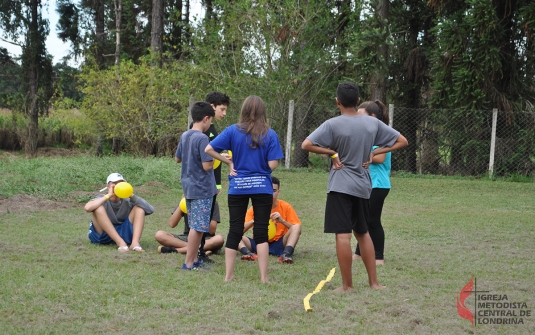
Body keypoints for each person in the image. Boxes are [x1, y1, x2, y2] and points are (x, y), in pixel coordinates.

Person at [301, 82, 408, 292]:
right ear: (358, 101)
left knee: (343, 235)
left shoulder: (332, 124)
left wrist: (332, 153)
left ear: (337, 102)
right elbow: (402, 141)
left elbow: (306, 145)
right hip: (363, 186)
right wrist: (375, 153)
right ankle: (374, 283)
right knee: (363, 233)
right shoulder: (372, 123)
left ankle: (347, 286)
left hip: (340, 185)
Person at [205, 95, 284, 283]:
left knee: (235, 230)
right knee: (262, 232)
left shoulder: (233, 131)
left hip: (237, 187)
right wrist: (261, 168)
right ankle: (264, 278)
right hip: (262, 187)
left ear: (243, 110)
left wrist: (228, 161)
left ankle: (228, 276)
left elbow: (209, 149)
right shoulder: (270, 134)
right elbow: (273, 164)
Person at [175, 101, 218, 270]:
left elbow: (178, 158)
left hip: (189, 187)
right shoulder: (202, 138)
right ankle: (190, 262)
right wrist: (216, 156)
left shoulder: (185, 135)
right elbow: (208, 166)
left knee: (195, 224)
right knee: (197, 228)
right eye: (211, 121)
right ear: (206, 119)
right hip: (202, 188)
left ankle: (192, 260)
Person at [353, 100, 392, 265]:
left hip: (378, 185)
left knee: (373, 220)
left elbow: (380, 157)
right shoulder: (366, 134)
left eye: (361, 116)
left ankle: (378, 256)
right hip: (365, 184)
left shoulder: (381, 134)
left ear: (373, 117)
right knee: (361, 219)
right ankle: (359, 253)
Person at [238, 176, 301, 264]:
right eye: (267, 189)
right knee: (235, 234)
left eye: (274, 191)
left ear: (278, 192)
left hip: (279, 243)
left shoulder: (286, 207)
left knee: (297, 227)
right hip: (258, 242)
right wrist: (254, 220)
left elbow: (297, 229)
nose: (270, 193)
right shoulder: (254, 208)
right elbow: (239, 231)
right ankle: (248, 254)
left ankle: (286, 254)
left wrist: (282, 221)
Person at [85, 172, 154, 252]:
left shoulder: (128, 200)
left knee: (139, 208)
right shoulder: (102, 198)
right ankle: (121, 243)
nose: (118, 186)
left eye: (121, 183)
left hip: (123, 233)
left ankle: (135, 243)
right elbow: (87, 208)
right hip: (103, 234)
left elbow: (150, 210)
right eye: (114, 183)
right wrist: (108, 195)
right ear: (108, 186)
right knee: (98, 208)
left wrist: (131, 195)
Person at [155, 200, 224, 255]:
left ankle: (177, 250)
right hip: (188, 237)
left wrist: (201, 211)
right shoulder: (185, 201)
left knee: (219, 239)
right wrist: (181, 205)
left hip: (206, 239)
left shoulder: (212, 202)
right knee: (159, 235)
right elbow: (172, 224)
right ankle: (199, 249)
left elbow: (212, 230)